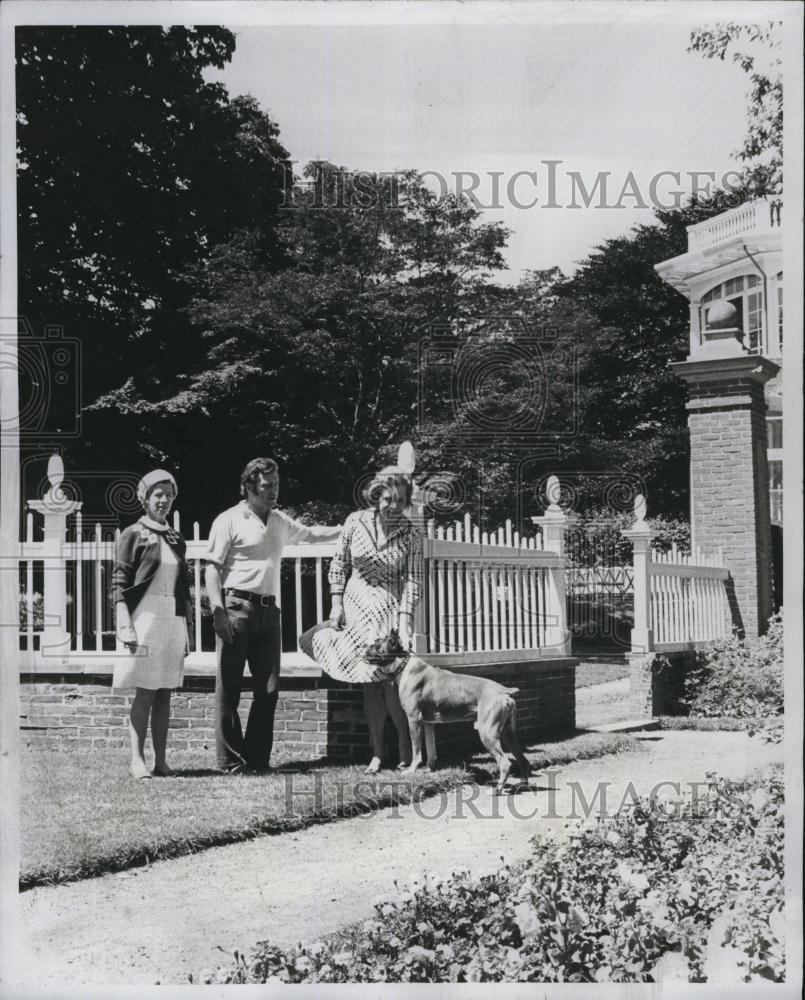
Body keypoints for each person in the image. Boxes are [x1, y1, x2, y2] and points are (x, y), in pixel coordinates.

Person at [205, 458, 342, 773]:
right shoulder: (228, 519)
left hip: (270, 612)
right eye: (267, 485)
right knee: (229, 689)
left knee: (267, 690)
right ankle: (230, 763)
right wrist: (218, 612)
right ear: (249, 485)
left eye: (276, 484)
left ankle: (257, 760)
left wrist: (347, 527)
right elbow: (212, 568)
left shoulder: (279, 521)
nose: (273, 491)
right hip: (236, 607)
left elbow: (312, 535)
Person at [300, 467, 422, 773]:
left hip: (388, 612)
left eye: (400, 501)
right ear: (377, 495)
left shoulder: (411, 534)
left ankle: (405, 750)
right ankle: (378, 752)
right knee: (368, 683)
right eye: (387, 498)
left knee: (392, 682)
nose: (392, 506)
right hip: (355, 610)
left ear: (407, 502)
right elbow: (339, 564)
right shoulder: (355, 522)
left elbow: (414, 580)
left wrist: (406, 617)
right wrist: (336, 603)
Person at [113, 470, 191, 780]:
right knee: (145, 690)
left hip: (171, 617)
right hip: (143, 616)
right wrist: (124, 623)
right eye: (157, 494)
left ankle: (161, 761)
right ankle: (137, 760)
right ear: (144, 498)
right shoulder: (132, 533)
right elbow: (119, 580)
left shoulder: (176, 538)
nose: (163, 500)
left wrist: (187, 630)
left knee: (164, 692)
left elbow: (183, 587)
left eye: (168, 495)